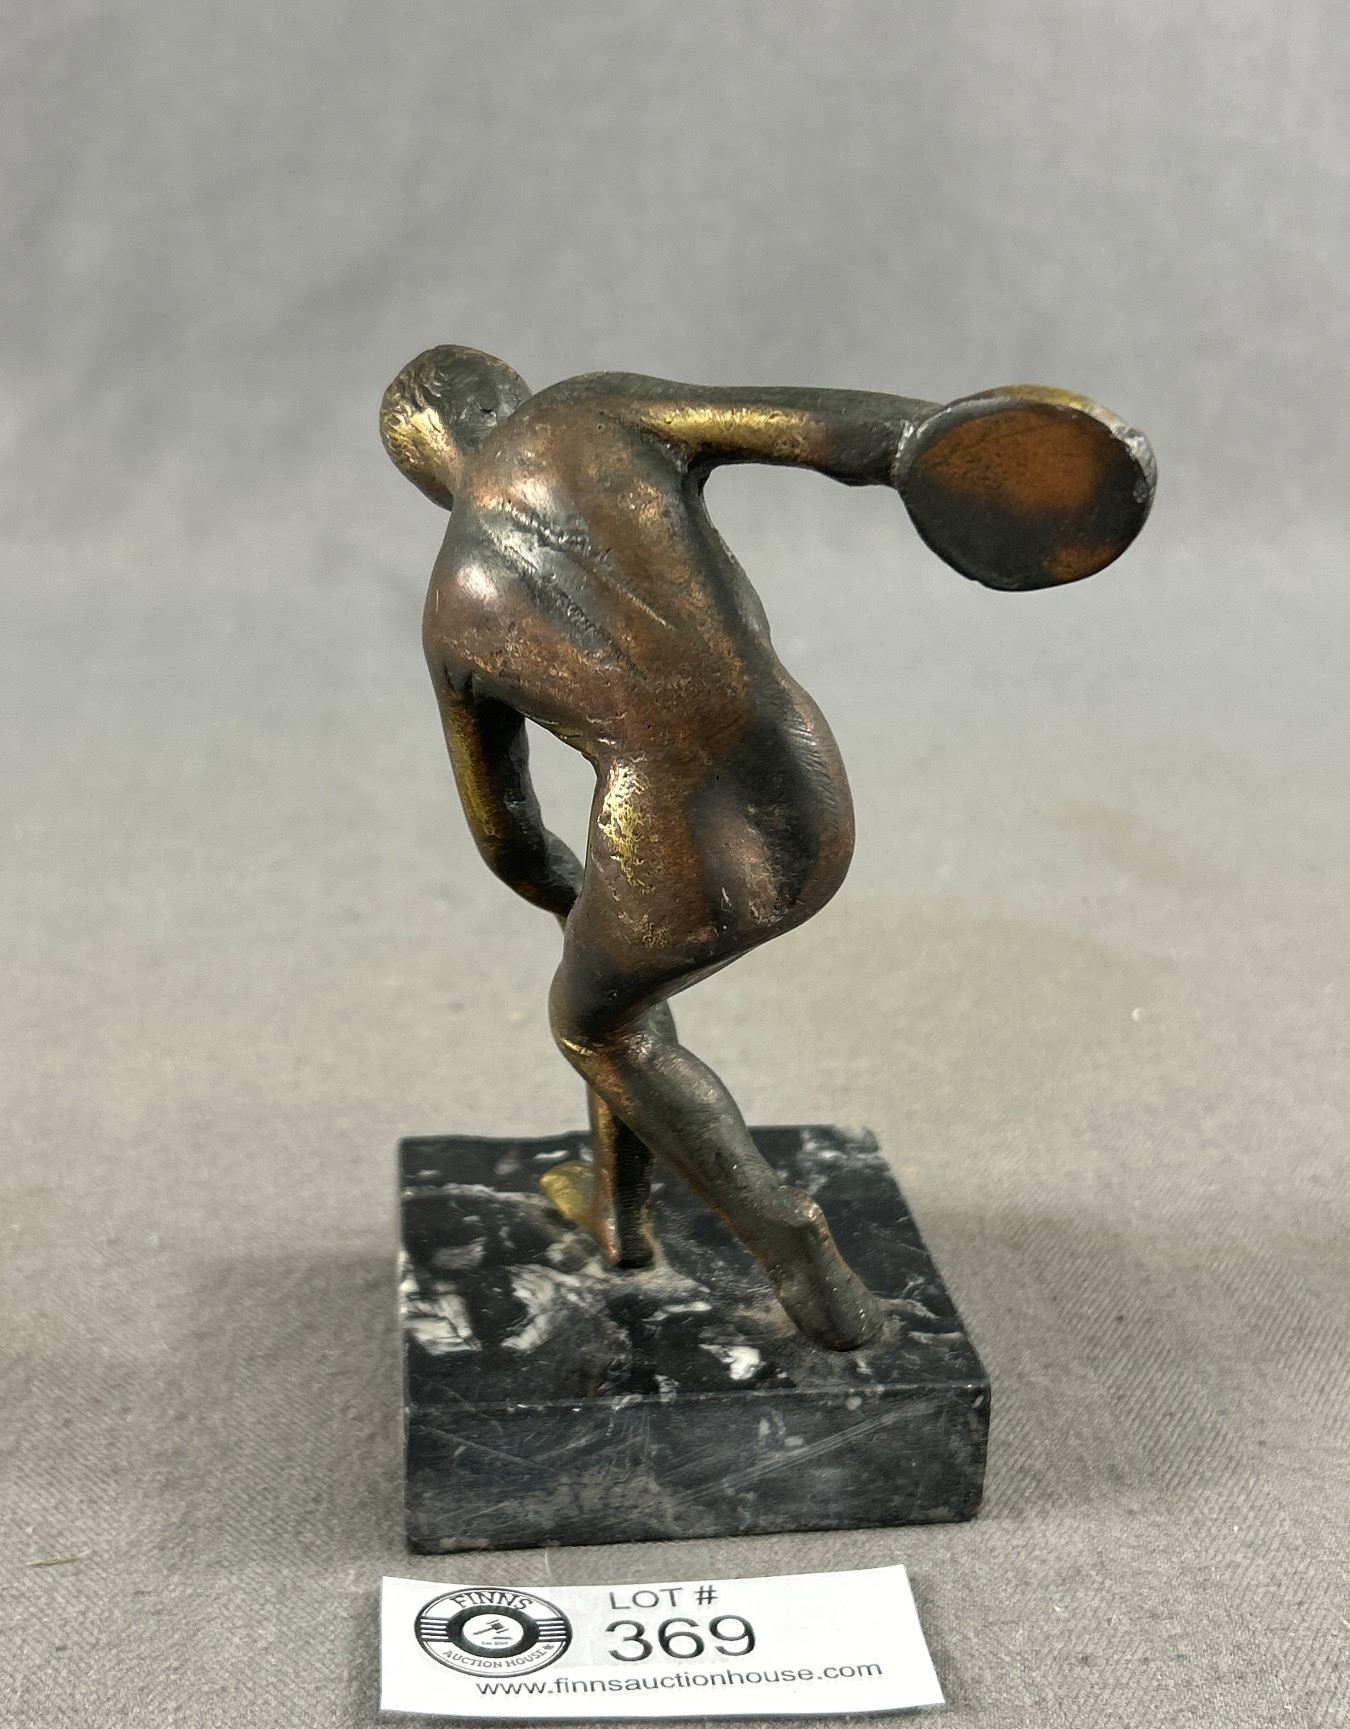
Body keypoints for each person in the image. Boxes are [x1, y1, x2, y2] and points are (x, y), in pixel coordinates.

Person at [379, 345, 1155, 1350]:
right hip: (805, 786)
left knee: (598, 1028)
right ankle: (620, 1216)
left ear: (423, 465)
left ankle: (790, 1243)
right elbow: (807, 429)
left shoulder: (451, 608)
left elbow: (507, 834)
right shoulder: (588, 412)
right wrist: (918, 442)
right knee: (618, 996)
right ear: (503, 397)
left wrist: (566, 895)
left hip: (675, 852)